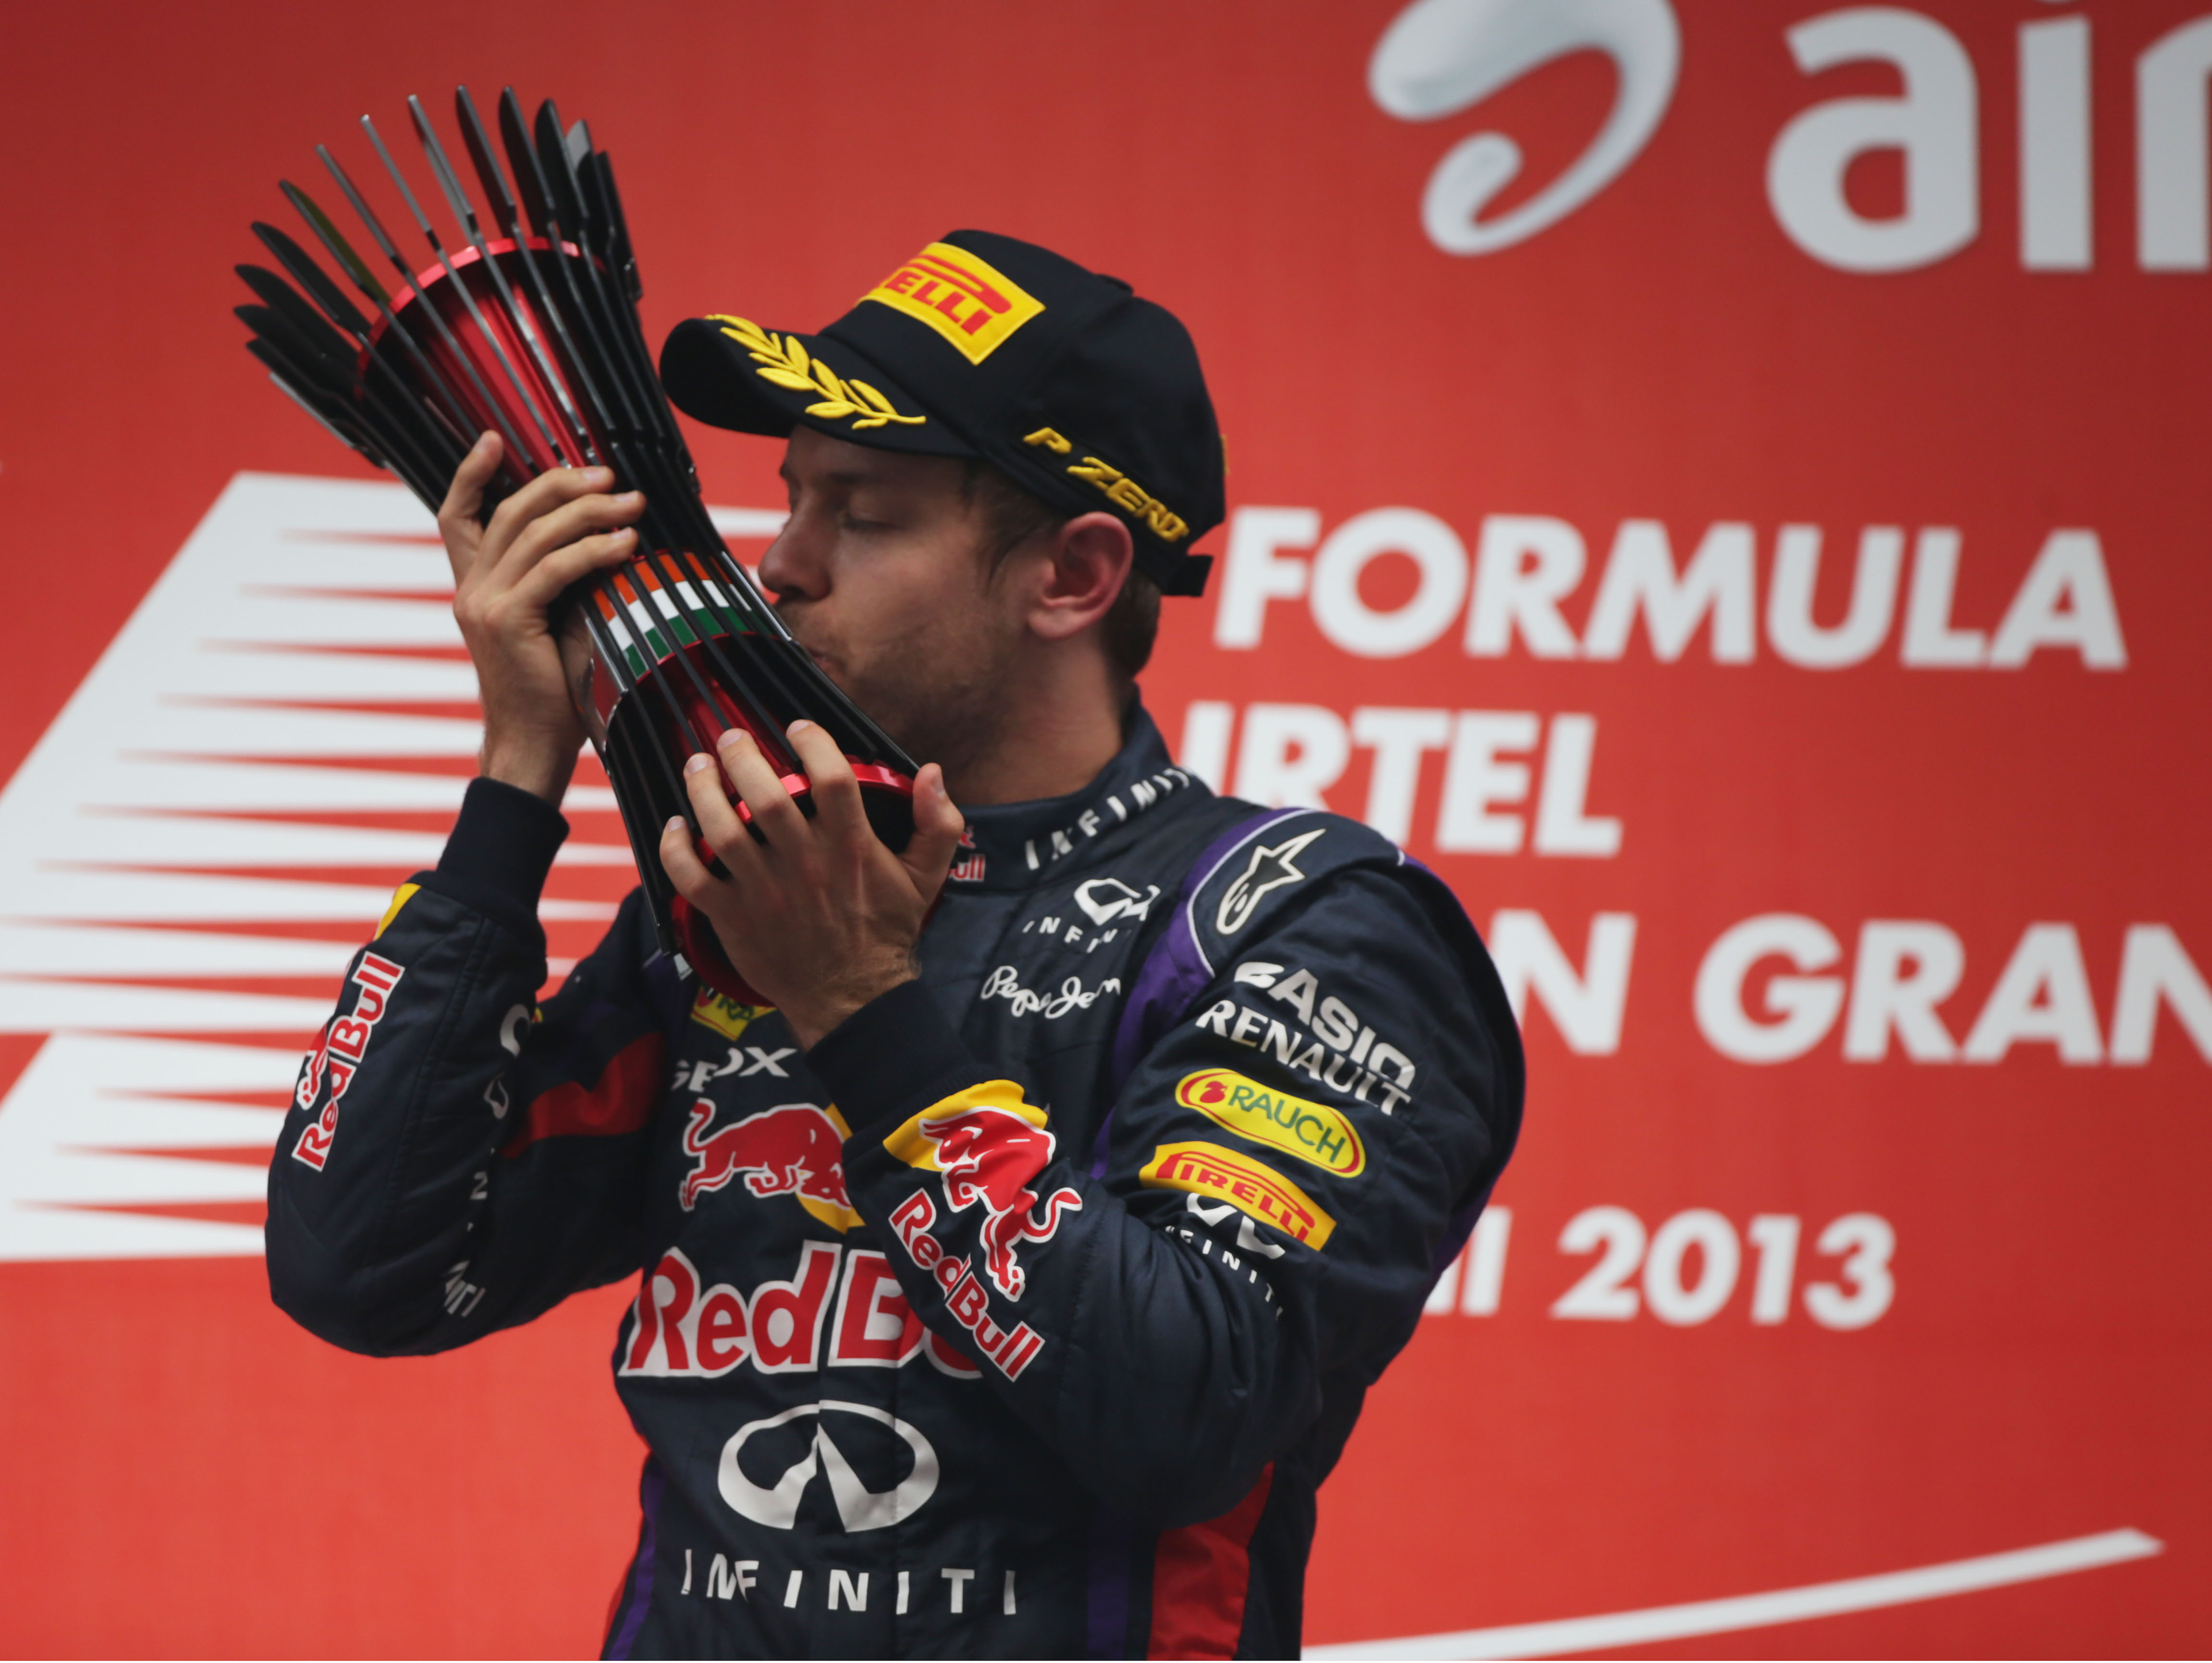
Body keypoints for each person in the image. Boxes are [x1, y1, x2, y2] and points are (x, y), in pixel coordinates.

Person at [265, 230, 1523, 1660]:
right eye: (791, 497)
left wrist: (859, 1007)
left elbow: (1193, 1409)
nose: (778, 567)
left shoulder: (1297, 923)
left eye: (860, 516)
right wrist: (515, 782)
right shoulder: (759, 889)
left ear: (1073, 575)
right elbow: (366, 1267)